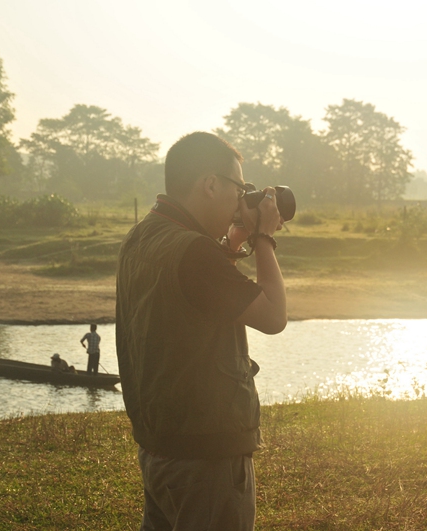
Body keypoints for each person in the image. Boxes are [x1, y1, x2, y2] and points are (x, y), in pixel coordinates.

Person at [116, 131, 287, 531]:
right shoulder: (193, 250)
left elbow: (197, 293)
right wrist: (262, 237)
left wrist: (232, 243)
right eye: (239, 187)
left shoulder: (144, 236)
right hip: (206, 453)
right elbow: (274, 316)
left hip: (161, 445)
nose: (239, 200)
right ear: (210, 184)